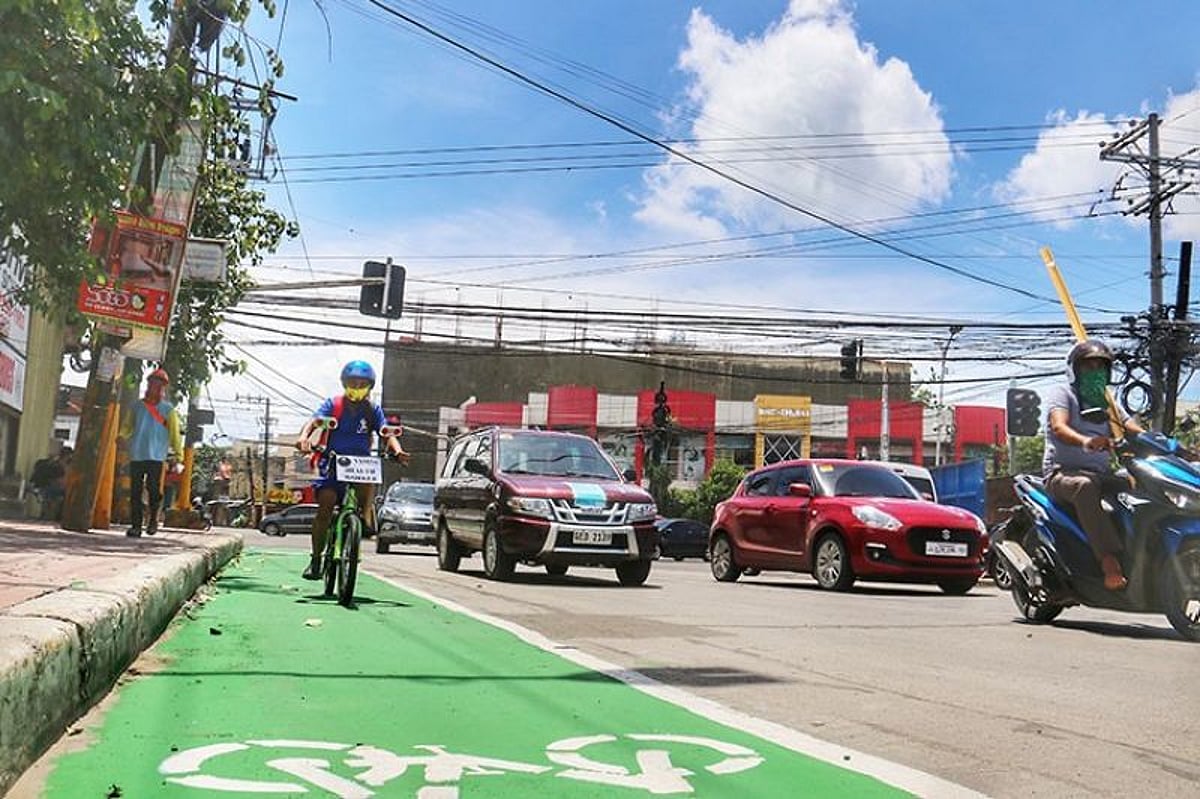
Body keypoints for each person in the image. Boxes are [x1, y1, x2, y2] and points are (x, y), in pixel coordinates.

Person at [1042, 339, 1144, 590]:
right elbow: (1059, 426)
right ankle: (1109, 562)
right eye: (1089, 367)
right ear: (1075, 370)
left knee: (1143, 483)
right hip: (1062, 475)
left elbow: (1134, 430)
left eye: (1101, 367)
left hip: (1102, 474)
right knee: (1085, 486)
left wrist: (1172, 447)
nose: (1095, 372)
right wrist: (1086, 441)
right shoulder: (1063, 394)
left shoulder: (1109, 403)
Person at [295, 360, 409, 580]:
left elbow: (387, 433)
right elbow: (314, 422)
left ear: (369, 386)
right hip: (332, 463)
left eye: (362, 383)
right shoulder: (334, 404)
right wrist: (303, 438)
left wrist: (398, 451)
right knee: (325, 507)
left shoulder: (372, 410)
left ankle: (365, 520)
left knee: (368, 481)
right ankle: (316, 559)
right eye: (352, 382)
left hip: (360, 465)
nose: (357, 386)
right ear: (345, 383)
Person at [122, 368, 182, 537]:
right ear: (148, 384)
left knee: (154, 490)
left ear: (163, 387)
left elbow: (175, 434)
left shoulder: (168, 410)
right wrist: (121, 436)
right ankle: (136, 525)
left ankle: (153, 519)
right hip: (137, 454)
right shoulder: (136, 406)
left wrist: (177, 455)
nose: (155, 387)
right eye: (153, 382)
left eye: (159, 384)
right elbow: (128, 426)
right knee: (135, 491)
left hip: (156, 456)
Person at [31, 445, 71, 520]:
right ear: (66, 457)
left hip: (41, 487)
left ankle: (49, 515)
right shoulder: (58, 466)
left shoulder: (51, 462)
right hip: (48, 489)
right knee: (67, 495)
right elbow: (60, 482)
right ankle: (56, 517)